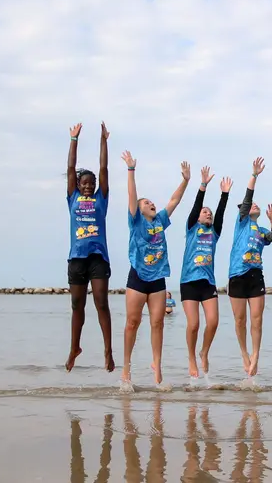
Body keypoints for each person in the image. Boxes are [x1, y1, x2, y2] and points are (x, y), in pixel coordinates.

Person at [120, 150, 190, 386]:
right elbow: (133, 197)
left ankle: (157, 368)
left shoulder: (160, 220)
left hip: (158, 278)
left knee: (157, 323)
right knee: (132, 322)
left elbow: (174, 201)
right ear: (139, 209)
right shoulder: (136, 220)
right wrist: (131, 170)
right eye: (146, 203)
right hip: (138, 277)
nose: (151, 204)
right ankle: (126, 367)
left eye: (151, 202)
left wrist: (186, 180)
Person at [65, 121, 114, 373]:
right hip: (76, 258)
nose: (87, 186)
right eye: (83, 183)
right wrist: (74, 140)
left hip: (97, 258)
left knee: (101, 302)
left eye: (90, 183)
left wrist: (103, 140)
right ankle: (75, 347)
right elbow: (71, 166)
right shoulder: (72, 197)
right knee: (76, 305)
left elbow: (103, 168)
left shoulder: (100, 200)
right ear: (77, 184)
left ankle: (108, 351)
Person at [228, 157, 272, 377]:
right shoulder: (241, 223)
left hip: (255, 275)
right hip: (237, 275)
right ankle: (243, 353)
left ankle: (256, 355)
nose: (255, 206)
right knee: (240, 319)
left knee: (257, 318)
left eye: (256, 206)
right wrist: (255, 175)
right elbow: (248, 199)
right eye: (252, 206)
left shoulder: (259, 231)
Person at [180, 166, 232, 378]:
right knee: (193, 324)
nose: (208, 214)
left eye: (209, 213)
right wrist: (203, 185)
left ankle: (204, 352)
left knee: (213, 322)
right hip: (189, 282)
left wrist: (225, 194)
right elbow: (195, 208)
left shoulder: (214, 233)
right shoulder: (192, 228)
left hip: (207, 283)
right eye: (205, 212)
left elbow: (220, 213)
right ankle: (192, 357)